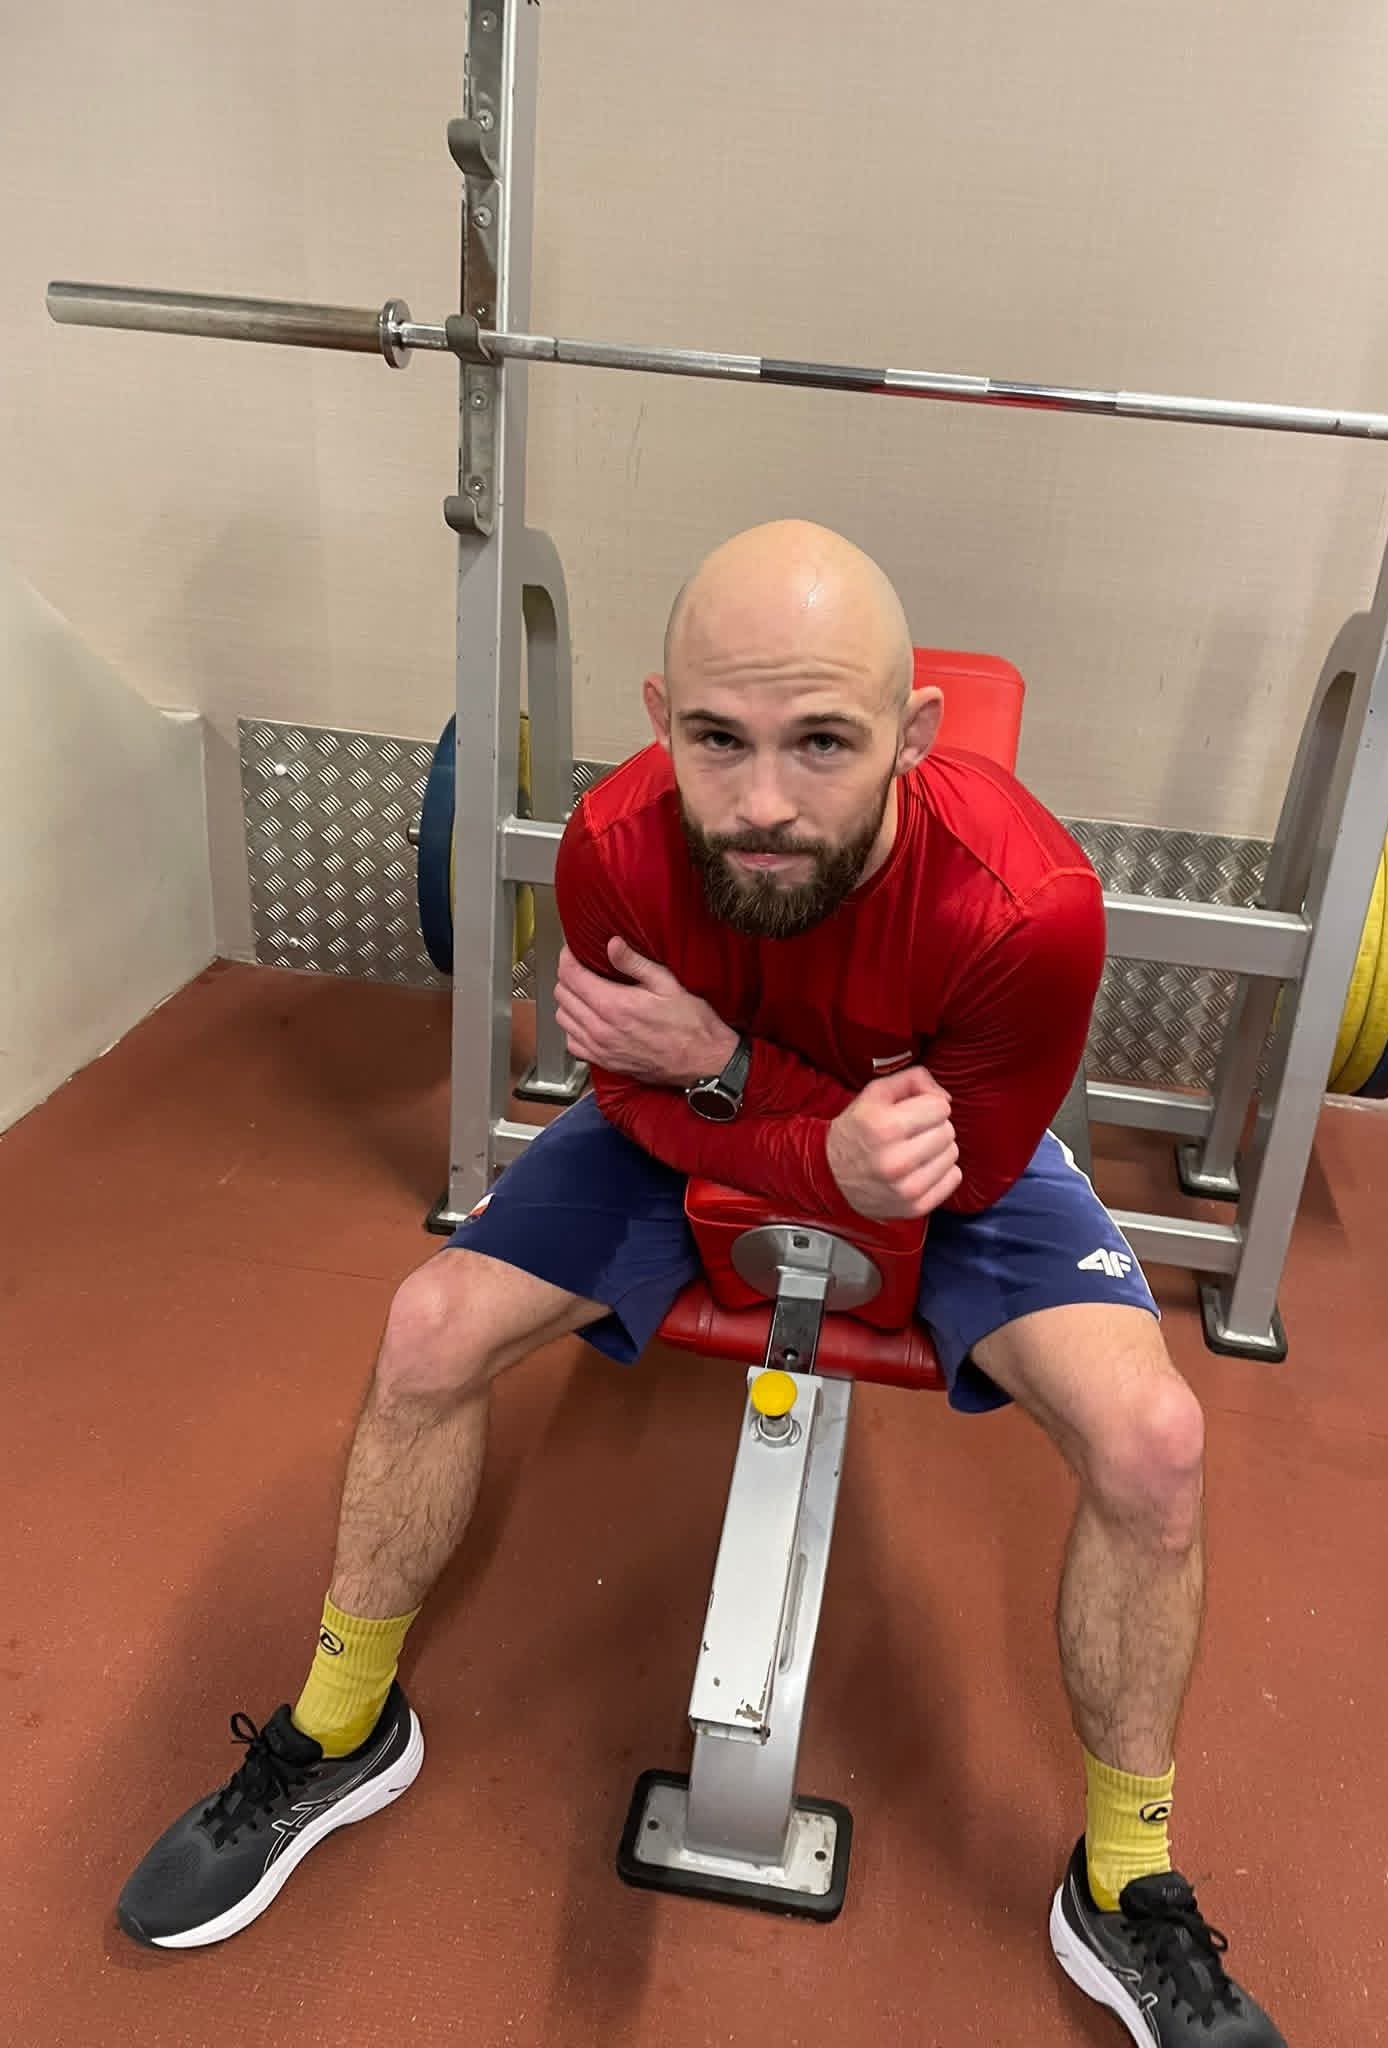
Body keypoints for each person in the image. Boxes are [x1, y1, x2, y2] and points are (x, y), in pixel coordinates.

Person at [116, 520, 1285, 2045]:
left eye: (824, 744)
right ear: (662, 718)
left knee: (1158, 1445)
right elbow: (636, 1096)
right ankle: (343, 1726)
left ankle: (1124, 1879)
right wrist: (770, 1107)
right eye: (719, 740)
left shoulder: (1029, 909)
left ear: (915, 735)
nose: (762, 803)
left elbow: (968, 1169)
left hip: (944, 1160)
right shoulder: (615, 849)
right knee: (425, 1330)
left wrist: (726, 1067)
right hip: (696, 1131)